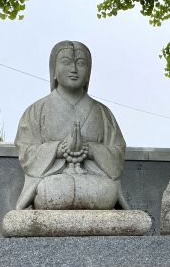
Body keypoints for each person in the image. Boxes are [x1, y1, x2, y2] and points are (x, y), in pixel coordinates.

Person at [15, 41, 126, 210]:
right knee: (50, 191)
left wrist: (90, 150)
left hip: (95, 184)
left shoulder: (103, 113)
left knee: (108, 191)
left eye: (81, 63)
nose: (74, 69)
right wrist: (59, 149)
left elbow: (117, 151)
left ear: (89, 73)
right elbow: (25, 150)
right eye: (66, 62)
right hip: (53, 184)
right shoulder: (36, 111)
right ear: (54, 70)